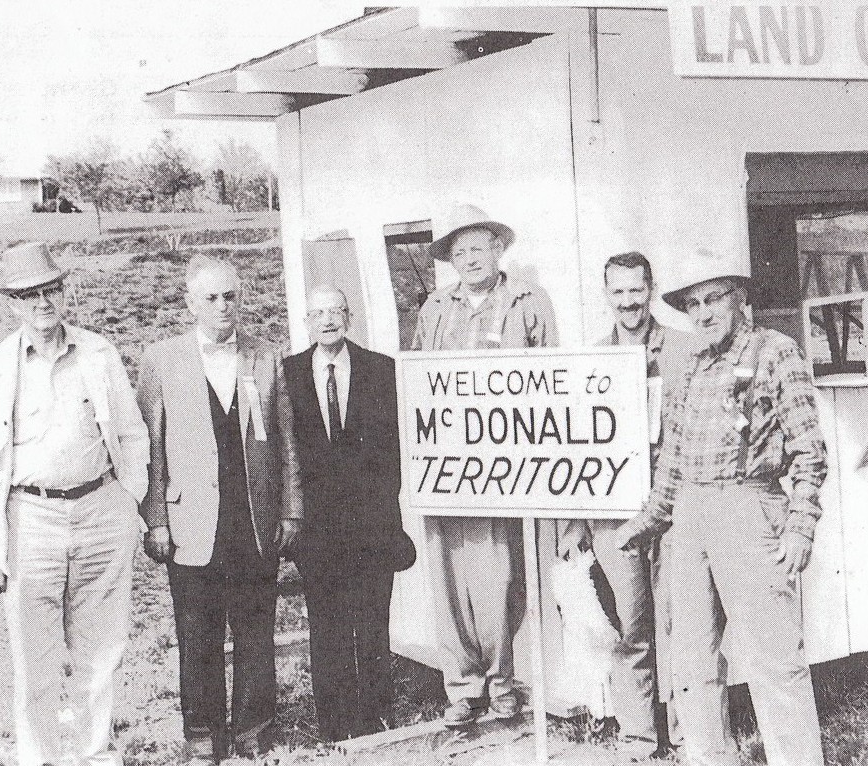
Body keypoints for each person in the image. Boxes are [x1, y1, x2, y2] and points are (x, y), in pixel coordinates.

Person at [615, 249, 828, 766]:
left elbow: (809, 449)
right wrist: (643, 524)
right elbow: (673, 460)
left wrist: (800, 525)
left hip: (748, 508)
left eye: (714, 299)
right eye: (693, 304)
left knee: (775, 660)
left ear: (740, 300)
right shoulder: (687, 365)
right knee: (692, 663)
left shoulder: (775, 352)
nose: (703, 312)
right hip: (688, 519)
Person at [0, 241, 149, 766]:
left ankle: (95, 753)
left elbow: (133, 434)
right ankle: (40, 758)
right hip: (30, 519)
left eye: (51, 290)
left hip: (99, 512)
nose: (43, 302)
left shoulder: (100, 353)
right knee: (35, 658)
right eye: (30, 295)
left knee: (102, 650)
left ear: (64, 293)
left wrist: (129, 502)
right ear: (12, 303)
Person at [137, 255, 302, 765]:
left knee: (255, 625)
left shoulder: (265, 357)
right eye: (210, 297)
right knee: (198, 631)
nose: (222, 306)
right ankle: (203, 731)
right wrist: (157, 519)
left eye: (230, 295)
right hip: (190, 523)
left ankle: (255, 725)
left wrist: (291, 511)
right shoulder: (160, 359)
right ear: (190, 303)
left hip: (253, 517)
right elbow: (150, 447)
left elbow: (286, 442)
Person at [411, 203, 558, 727]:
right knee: (449, 576)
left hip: (506, 466)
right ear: (449, 259)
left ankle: (503, 682)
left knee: (501, 576)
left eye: (479, 247)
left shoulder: (527, 303)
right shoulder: (434, 309)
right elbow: (419, 385)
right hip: (450, 470)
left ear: (498, 249)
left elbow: (553, 380)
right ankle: (462, 687)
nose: (470, 258)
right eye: (460, 250)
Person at [559, 251, 691, 759]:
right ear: (606, 295)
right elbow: (579, 448)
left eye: (637, 290)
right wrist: (577, 523)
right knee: (629, 627)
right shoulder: (592, 359)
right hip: (615, 514)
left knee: (681, 622)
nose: (629, 301)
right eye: (619, 292)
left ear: (650, 289)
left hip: (675, 510)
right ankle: (638, 735)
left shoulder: (682, 350)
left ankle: (686, 730)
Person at [283, 285, 414, 743]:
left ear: (349, 316)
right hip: (317, 531)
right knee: (327, 625)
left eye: (335, 311)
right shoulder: (289, 374)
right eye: (317, 313)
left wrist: (390, 519)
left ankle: (377, 717)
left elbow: (397, 451)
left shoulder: (381, 369)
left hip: (373, 526)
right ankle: (335, 724)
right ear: (307, 321)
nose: (327, 321)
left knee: (373, 623)